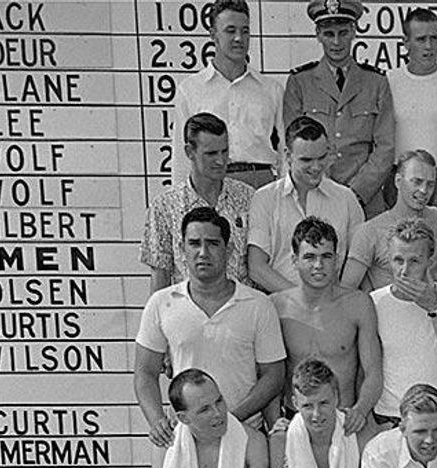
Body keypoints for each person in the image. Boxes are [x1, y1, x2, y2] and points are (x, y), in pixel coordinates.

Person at [134, 206, 286, 447]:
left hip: (245, 435)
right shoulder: (161, 303)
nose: (203, 252)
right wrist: (157, 421)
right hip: (185, 438)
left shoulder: (258, 304)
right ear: (182, 248)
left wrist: (231, 419)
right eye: (194, 243)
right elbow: (145, 372)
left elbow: (274, 375)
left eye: (213, 243)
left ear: (229, 249)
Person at [271, 216, 382, 435]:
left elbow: (373, 371)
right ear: (294, 260)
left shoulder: (358, 304)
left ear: (337, 259)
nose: (318, 265)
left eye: (326, 256)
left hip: (345, 418)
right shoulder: (277, 307)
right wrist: (275, 420)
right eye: (309, 257)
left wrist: (360, 411)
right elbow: (270, 374)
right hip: (296, 420)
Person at [284, 0, 394, 217]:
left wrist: (357, 193)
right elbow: (294, 144)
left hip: (365, 199)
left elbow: (385, 147)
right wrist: (324, 190)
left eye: (343, 33)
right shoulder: (300, 82)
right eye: (329, 34)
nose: (336, 42)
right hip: (314, 194)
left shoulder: (376, 82)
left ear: (354, 31)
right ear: (318, 34)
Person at [171, 0, 284, 189]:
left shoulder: (271, 89)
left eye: (245, 31)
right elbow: (182, 158)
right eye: (230, 31)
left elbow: (285, 151)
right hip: (211, 184)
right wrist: (180, 200)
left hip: (262, 185)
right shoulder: (190, 90)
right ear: (213, 34)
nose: (239, 38)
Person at [370, 219, 437, 427]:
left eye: (414, 261)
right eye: (398, 260)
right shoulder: (374, 302)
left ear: (430, 261)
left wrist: (435, 308)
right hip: (389, 415)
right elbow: (367, 369)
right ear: (389, 259)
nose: (404, 270)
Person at [248, 116, 364, 294]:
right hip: (280, 302)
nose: (316, 167)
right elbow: (257, 268)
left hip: (334, 302)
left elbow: (359, 259)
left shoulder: (346, 198)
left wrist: (336, 301)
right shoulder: (265, 198)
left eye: (322, 157)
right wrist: (302, 301)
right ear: (287, 156)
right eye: (307, 160)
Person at [143, 112, 254, 291]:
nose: (221, 161)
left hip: (242, 303)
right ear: (189, 152)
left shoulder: (249, 198)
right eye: (211, 154)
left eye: (224, 151)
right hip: (187, 306)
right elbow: (160, 275)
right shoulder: (164, 206)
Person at [387, 8, 437, 208]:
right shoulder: (389, 81)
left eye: (434, 38)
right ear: (406, 42)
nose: (429, 46)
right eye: (421, 39)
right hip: (400, 180)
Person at [341, 150, 437, 292]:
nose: (423, 190)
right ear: (398, 181)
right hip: (387, 304)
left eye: (430, 184)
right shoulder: (370, 231)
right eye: (417, 182)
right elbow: (347, 290)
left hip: (433, 302)